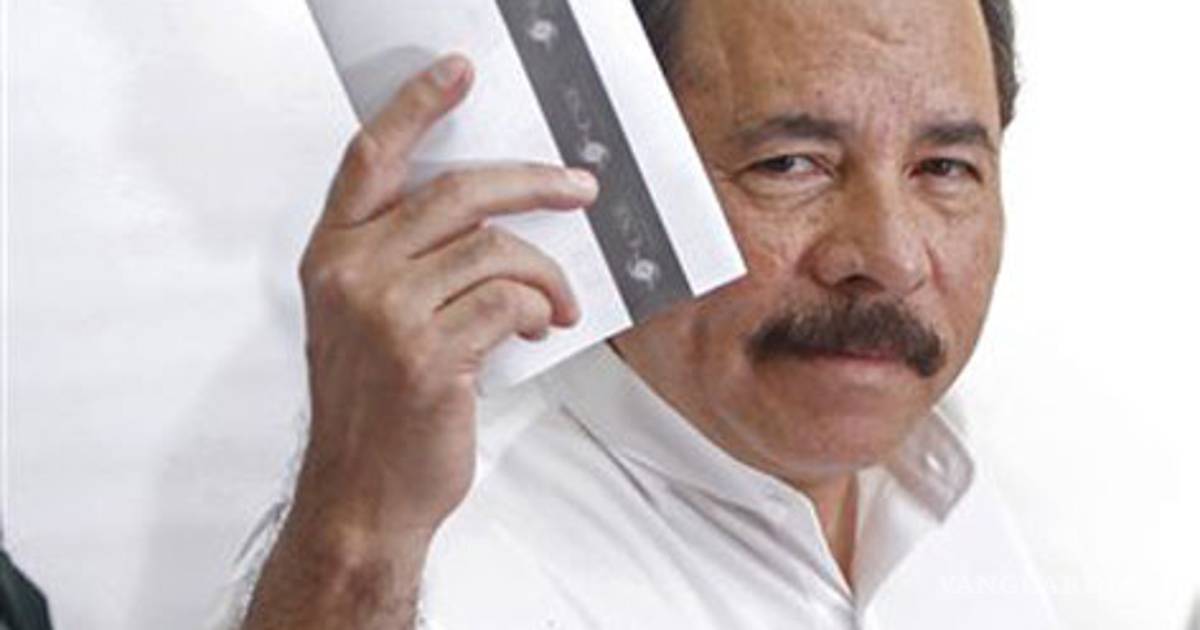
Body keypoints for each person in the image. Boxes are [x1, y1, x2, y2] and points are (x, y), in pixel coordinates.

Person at [223, 0, 1061, 628]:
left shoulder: (952, 484)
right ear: (623, 175)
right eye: (789, 164)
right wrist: (356, 544)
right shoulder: (420, 563)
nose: (891, 258)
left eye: (944, 169)